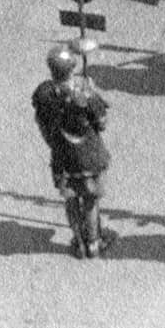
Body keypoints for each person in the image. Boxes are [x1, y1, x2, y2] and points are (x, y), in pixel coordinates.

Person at [32, 46, 112, 259]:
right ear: (72, 68)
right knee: (90, 201)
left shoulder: (43, 93)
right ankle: (94, 242)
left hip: (62, 156)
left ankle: (79, 242)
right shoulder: (85, 93)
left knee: (70, 200)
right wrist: (91, 93)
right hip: (88, 157)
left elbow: (41, 121)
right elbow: (102, 123)